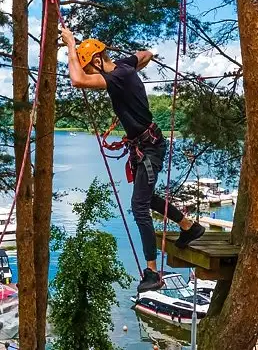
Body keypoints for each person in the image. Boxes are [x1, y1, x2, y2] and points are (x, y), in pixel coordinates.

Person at [62, 27, 206, 292]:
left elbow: (77, 80)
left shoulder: (116, 76)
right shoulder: (125, 67)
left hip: (149, 148)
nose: (92, 74)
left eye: (91, 68)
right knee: (147, 199)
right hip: (146, 145)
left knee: (139, 206)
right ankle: (189, 227)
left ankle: (152, 272)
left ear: (95, 61)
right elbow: (143, 55)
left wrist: (71, 44)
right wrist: (148, 53)